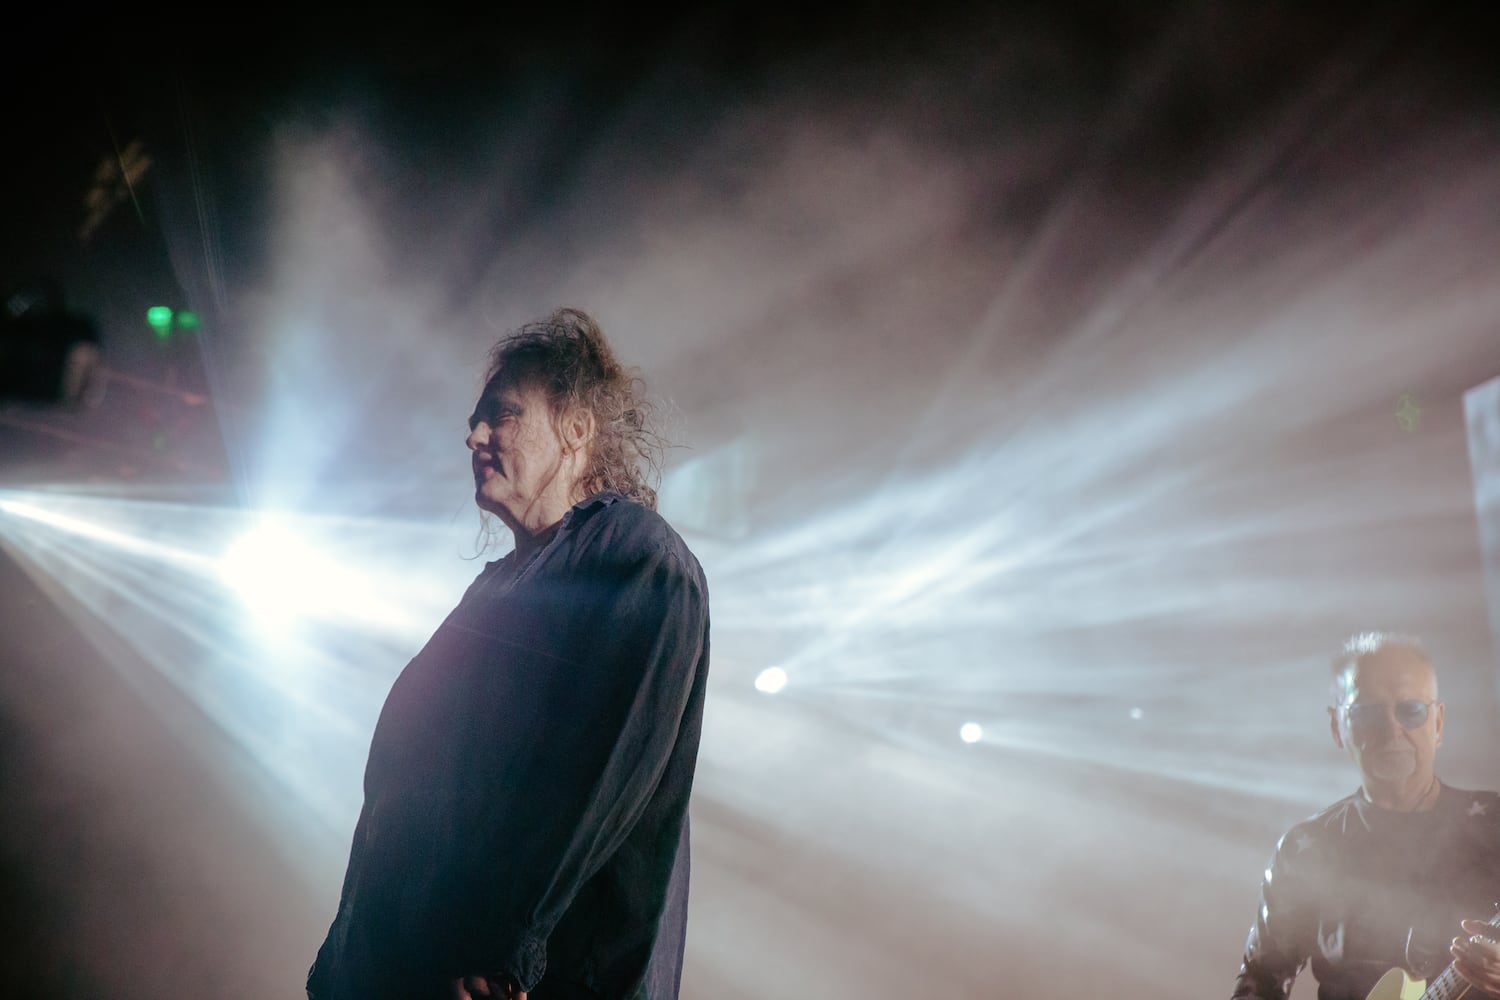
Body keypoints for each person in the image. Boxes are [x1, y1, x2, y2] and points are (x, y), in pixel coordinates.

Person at [308, 308, 711, 1000]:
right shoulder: (492, 593)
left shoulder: (636, 559)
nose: (474, 436)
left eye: (503, 415)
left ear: (577, 428)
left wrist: (504, 946)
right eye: (476, 420)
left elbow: (599, 766)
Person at [1231, 632, 1500, 1000]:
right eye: (1366, 713)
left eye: (1411, 710)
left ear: (1438, 722)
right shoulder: (1304, 851)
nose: (1392, 729)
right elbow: (1258, 986)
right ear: (1336, 727)